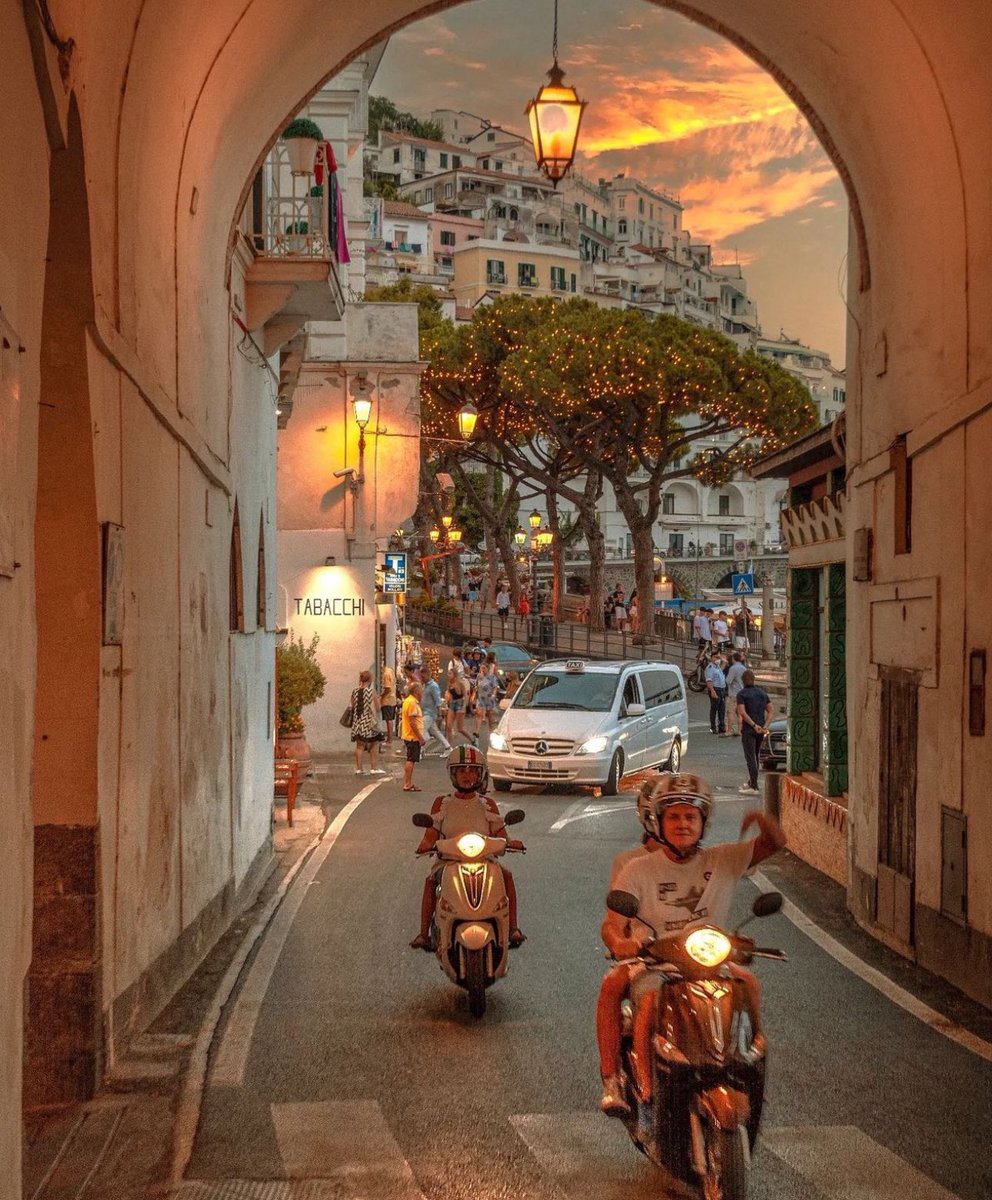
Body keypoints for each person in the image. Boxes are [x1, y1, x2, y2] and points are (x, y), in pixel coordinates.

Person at [597, 773, 786, 1116]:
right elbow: (612, 925)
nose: (682, 824)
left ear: (704, 822)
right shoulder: (637, 868)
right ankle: (640, 1089)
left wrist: (761, 816)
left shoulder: (722, 859)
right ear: (659, 821)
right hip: (655, 961)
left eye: (691, 816)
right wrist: (622, 943)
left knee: (749, 983)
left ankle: (750, 1063)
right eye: (674, 816)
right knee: (648, 998)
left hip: (709, 958)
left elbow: (774, 843)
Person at [410, 746, 525, 950]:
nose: (467, 775)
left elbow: (500, 833)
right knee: (430, 881)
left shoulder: (487, 803)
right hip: (448, 862)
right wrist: (425, 845)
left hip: (484, 859)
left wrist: (510, 841)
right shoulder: (442, 803)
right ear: (453, 774)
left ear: (480, 775)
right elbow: (430, 834)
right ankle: (423, 933)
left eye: (472, 770)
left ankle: (513, 928)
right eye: (461, 770)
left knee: (506, 875)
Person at [735, 669, 774, 795]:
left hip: (749, 729)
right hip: (761, 729)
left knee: (750, 757)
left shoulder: (741, 694)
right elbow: (771, 711)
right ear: (754, 679)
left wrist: (753, 725)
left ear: (743, 681)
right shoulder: (762, 693)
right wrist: (764, 726)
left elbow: (742, 712)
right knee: (756, 756)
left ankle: (754, 786)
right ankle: (752, 781)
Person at [350, 670, 386, 776]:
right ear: (370, 679)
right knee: (374, 744)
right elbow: (378, 707)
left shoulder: (355, 691)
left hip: (357, 720)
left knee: (359, 745)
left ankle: (359, 768)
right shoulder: (371, 692)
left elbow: (352, 705)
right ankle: (373, 768)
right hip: (369, 721)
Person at [400, 681, 426, 792]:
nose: (422, 692)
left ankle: (408, 783)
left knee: (411, 759)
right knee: (411, 759)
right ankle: (407, 784)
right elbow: (412, 722)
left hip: (409, 735)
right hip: (412, 736)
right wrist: (420, 737)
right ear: (416, 691)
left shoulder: (408, 701)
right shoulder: (412, 703)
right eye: (421, 690)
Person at [421, 671, 452, 757]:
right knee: (435, 732)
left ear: (428, 675)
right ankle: (448, 747)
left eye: (423, 677)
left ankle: (421, 748)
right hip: (425, 712)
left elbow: (437, 700)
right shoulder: (425, 685)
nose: (422, 679)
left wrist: (439, 714)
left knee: (421, 730)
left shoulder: (433, 686)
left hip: (430, 713)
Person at [474, 661, 500, 737]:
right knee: (479, 714)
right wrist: (473, 696)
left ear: (488, 669)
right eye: (481, 668)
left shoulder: (492, 677)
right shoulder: (479, 676)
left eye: (484, 668)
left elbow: (495, 687)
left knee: (489, 716)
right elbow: (476, 686)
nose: (482, 669)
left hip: (489, 698)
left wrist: (494, 694)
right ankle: (477, 732)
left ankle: (491, 732)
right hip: (480, 698)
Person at [704, 651, 727, 734]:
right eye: (716, 657)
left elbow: (725, 663)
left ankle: (721, 727)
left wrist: (720, 658)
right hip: (715, 689)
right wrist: (712, 691)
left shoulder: (718, 667)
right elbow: (709, 680)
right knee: (714, 709)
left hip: (722, 689)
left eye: (718, 657)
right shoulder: (710, 667)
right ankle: (713, 727)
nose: (717, 659)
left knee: (722, 709)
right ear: (711, 658)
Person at [725, 652, 747, 736]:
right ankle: (739, 730)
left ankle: (729, 730)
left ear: (734, 659)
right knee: (740, 713)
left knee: (730, 712)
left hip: (733, 693)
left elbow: (728, 680)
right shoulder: (743, 668)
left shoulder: (733, 668)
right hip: (742, 693)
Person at [379, 665, 397, 746]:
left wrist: (381, 696)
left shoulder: (386, 674)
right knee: (390, 719)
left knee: (388, 720)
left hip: (387, 699)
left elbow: (387, 688)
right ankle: (390, 739)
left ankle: (389, 740)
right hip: (392, 699)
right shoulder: (391, 671)